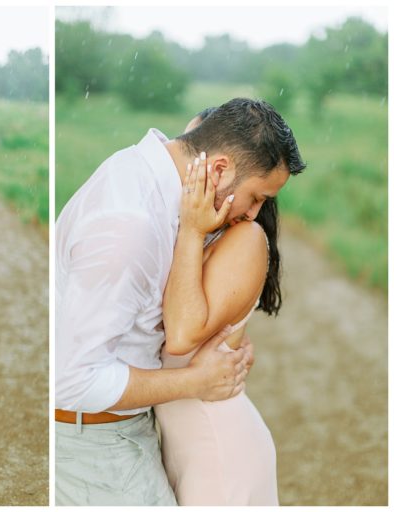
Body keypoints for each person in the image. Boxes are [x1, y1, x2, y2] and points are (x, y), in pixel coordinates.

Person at [54, 98, 305, 505]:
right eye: (256, 197)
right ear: (219, 168)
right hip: (97, 443)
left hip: (140, 434)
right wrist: (196, 380)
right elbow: (73, 380)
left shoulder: (150, 183)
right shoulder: (128, 226)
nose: (253, 214)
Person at [153, 107, 292, 505]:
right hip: (186, 447)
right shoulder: (202, 236)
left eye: (260, 200)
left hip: (219, 448)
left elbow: (180, 337)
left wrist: (193, 228)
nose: (252, 211)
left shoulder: (245, 238)